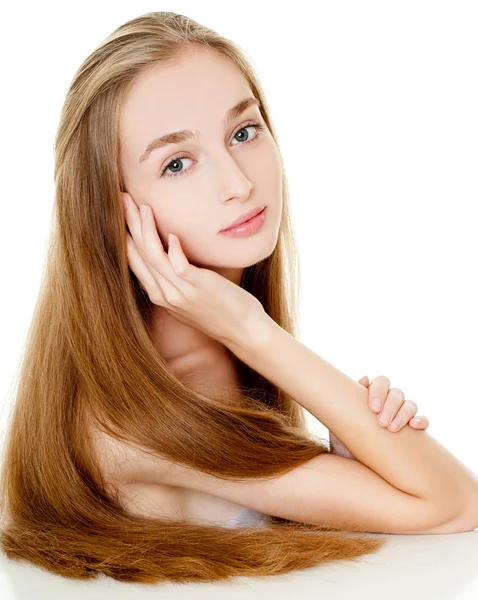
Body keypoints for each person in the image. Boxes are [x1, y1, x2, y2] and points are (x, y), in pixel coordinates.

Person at [0, 11, 389, 584]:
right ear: (113, 211)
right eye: (177, 163)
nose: (238, 183)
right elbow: (455, 506)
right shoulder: (135, 419)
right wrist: (254, 331)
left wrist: (346, 472)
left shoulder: (214, 357)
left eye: (243, 132)